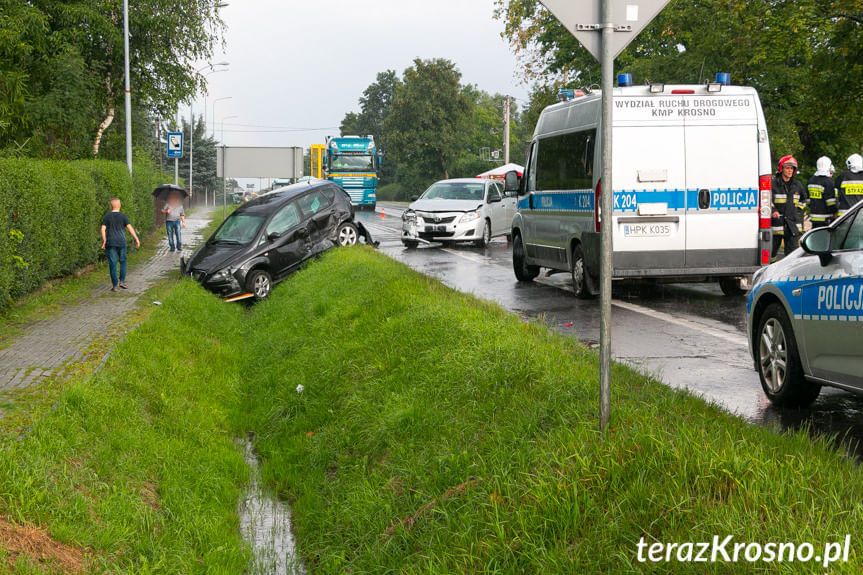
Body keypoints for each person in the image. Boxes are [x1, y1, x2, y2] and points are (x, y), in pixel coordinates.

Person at [100, 198, 141, 291]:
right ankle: (122, 281)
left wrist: (104, 241)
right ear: (120, 205)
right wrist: (136, 239)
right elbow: (130, 228)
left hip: (110, 243)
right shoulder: (123, 216)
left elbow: (102, 229)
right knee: (123, 261)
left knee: (112, 264)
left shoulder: (107, 216)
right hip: (121, 242)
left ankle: (115, 285)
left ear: (111, 206)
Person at [770, 155, 807, 258]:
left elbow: (804, 200)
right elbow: (768, 200)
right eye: (787, 168)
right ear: (781, 169)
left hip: (792, 226)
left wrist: (797, 209)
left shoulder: (797, 185)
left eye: (792, 168)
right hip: (777, 224)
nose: (790, 171)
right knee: (771, 254)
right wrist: (773, 211)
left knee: (792, 255)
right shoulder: (773, 184)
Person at [806, 156, 838, 228]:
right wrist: (835, 212)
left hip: (814, 218)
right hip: (827, 220)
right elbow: (831, 203)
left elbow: (808, 201)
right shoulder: (828, 182)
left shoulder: (810, 181)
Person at [834, 153, 863, 218]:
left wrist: (835, 210)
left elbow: (835, 194)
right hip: (861, 215)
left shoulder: (843, 176)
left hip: (844, 216)